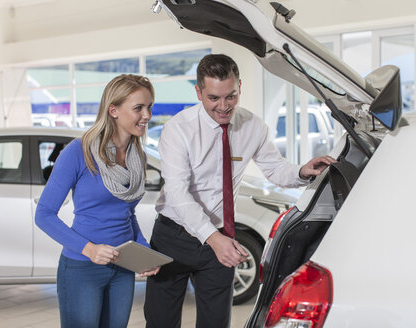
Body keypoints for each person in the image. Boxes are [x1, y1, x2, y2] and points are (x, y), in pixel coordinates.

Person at [143, 54, 336, 328]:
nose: (223, 106)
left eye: (230, 96)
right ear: (198, 92)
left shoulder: (253, 126)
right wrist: (213, 238)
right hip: (174, 236)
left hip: (221, 238)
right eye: (213, 98)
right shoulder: (179, 129)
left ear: (240, 87)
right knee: (161, 322)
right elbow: (177, 192)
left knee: (216, 323)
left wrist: (302, 171)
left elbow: (275, 169)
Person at [35, 74, 160, 328]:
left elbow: (127, 213)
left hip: (122, 267)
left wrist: (143, 250)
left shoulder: (139, 158)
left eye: (149, 107)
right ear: (113, 110)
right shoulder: (78, 152)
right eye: (138, 108)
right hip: (82, 268)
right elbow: (44, 214)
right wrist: (89, 249)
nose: (146, 115)